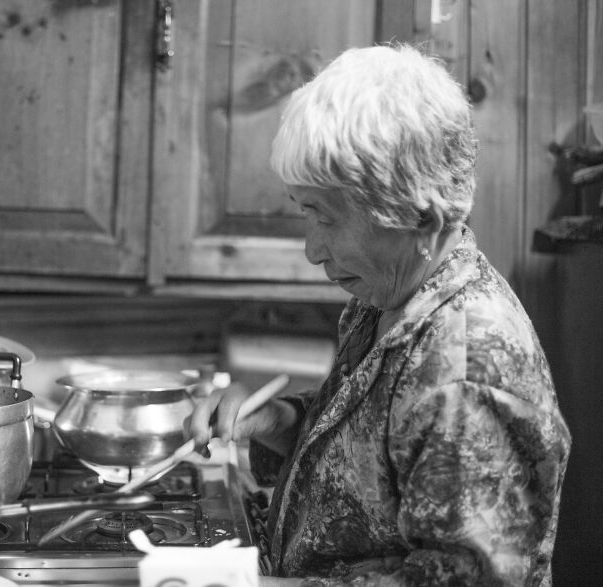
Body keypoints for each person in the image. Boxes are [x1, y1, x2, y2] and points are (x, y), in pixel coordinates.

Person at [186, 44, 571, 586]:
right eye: (306, 213)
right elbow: (371, 465)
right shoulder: (388, 299)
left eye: (327, 218)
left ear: (420, 215)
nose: (312, 250)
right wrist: (276, 422)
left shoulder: (466, 369)